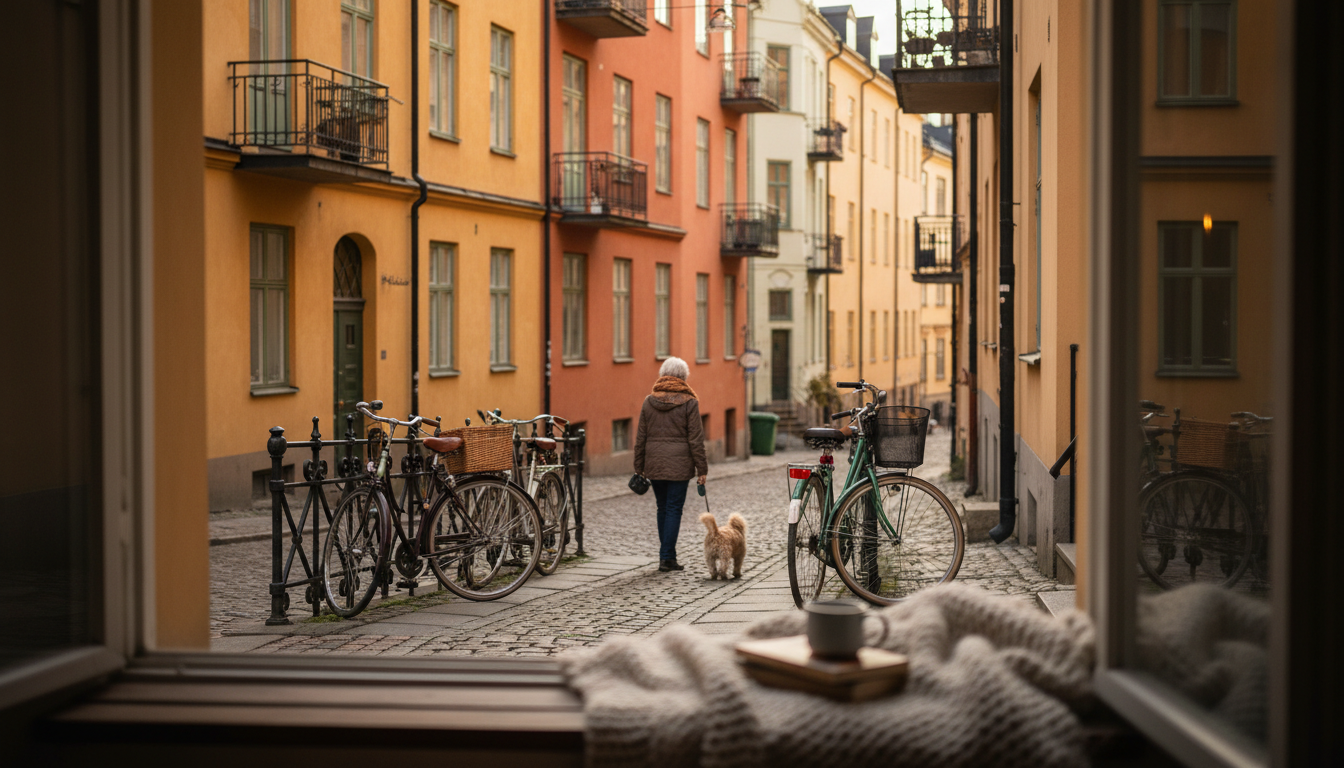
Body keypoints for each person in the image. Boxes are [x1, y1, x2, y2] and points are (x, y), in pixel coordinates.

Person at [633, 357, 708, 572]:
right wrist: (702, 469)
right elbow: (696, 439)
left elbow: (641, 438)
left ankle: (667, 555)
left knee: (662, 508)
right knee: (674, 508)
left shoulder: (649, 401)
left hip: (654, 463)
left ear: (663, 375)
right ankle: (667, 557)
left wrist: (639, 467)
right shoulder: (689, 402)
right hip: (680, 465)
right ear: (683, 377)